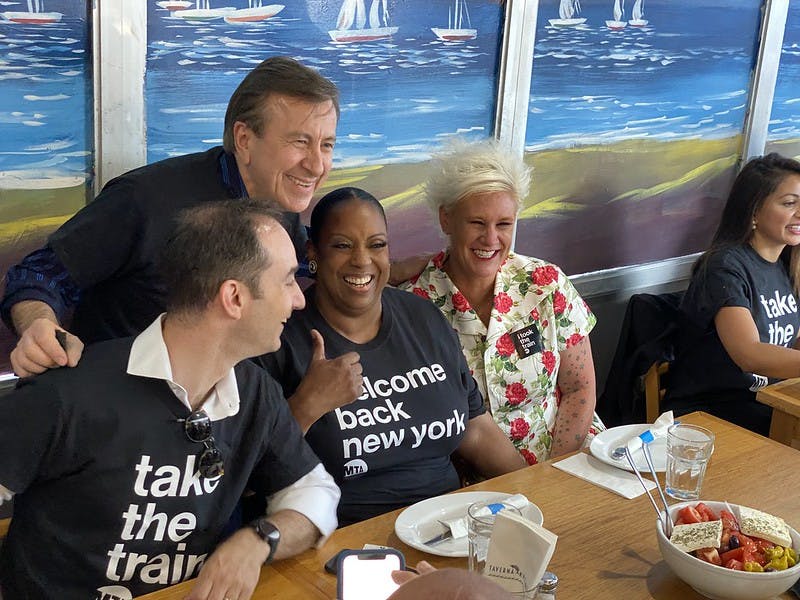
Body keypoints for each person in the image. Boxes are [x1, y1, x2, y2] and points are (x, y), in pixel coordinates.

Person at [0, 200, 340, 599]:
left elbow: (315, 492)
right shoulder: (68, 392)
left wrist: (260, 538)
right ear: (234, 297)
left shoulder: (255, 392)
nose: (298, 300)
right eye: (286, 281)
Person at [1, 55, 339, 377]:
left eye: (326, 145)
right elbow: (36, 276)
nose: (316, 165)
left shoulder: (283, 208)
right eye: (300, 142)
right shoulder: (144, 199)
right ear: (245, 139)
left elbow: (312, 264)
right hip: (121, 410)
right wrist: (39, 327)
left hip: (226, 407)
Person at [255, 187, 526, 526]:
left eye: (376, 244)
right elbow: (249, 479)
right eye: (342, 245)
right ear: (314, 253)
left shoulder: (424, 318)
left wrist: (531, 491)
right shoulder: (278, 339)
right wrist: (307, 406)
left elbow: (476, 429)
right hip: (340, 538)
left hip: (448, 528)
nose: (362, 260)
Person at [399, 139, 603, 465]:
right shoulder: (412, 306)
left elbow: (579, 389)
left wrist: (555, 472)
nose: (491, 239)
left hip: (567, 458)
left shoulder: (545, 284)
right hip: (472, 482)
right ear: (446, 220)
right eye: (477, 223)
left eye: (504, 224)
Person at [663, 153, 800, 436]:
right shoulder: (724, 266)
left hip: (767, 403)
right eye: (789, 203)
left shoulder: (789, 264)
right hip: (713, 414)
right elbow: (749, 354)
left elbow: (794, 341)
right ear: (753, 211)